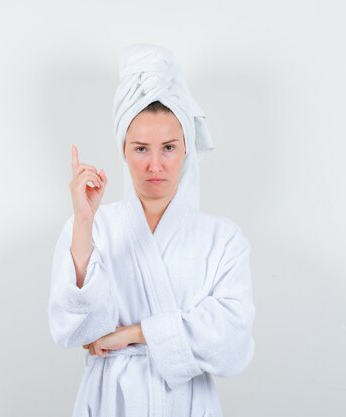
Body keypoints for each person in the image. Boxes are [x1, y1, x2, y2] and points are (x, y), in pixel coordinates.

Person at [48, 43, 255, 417]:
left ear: (187, 149)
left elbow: (233, 343)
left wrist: (135, 333)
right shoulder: (95, 227)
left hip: (187, 403)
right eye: (141, 149)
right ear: (123, 150)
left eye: (169, 148)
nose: (155, 165)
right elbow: (73, 331)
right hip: (112, 401)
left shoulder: (222, 240)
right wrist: (83, 221)